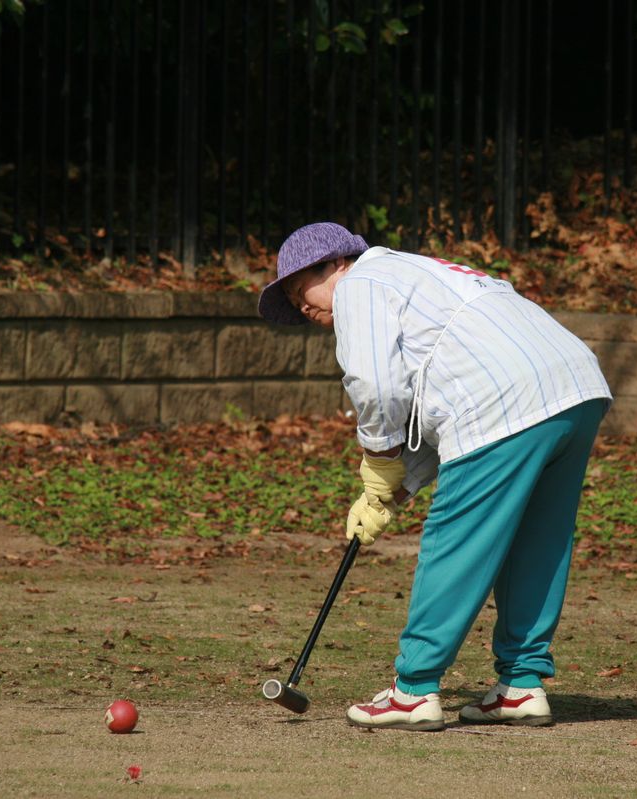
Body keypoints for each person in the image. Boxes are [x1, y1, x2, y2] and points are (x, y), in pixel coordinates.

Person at [258, 222, 612, 730]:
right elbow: (428, 400)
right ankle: (521, 683)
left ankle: (414, 689)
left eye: (298, 291)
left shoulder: (362, 283)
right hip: (574, 390)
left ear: (334, 262)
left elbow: (377, 388)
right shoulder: (417, 273)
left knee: (456, 538)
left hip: (503, 401)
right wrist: (391, 493)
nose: (302, 308)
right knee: (537, 541)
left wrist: (379, 460)